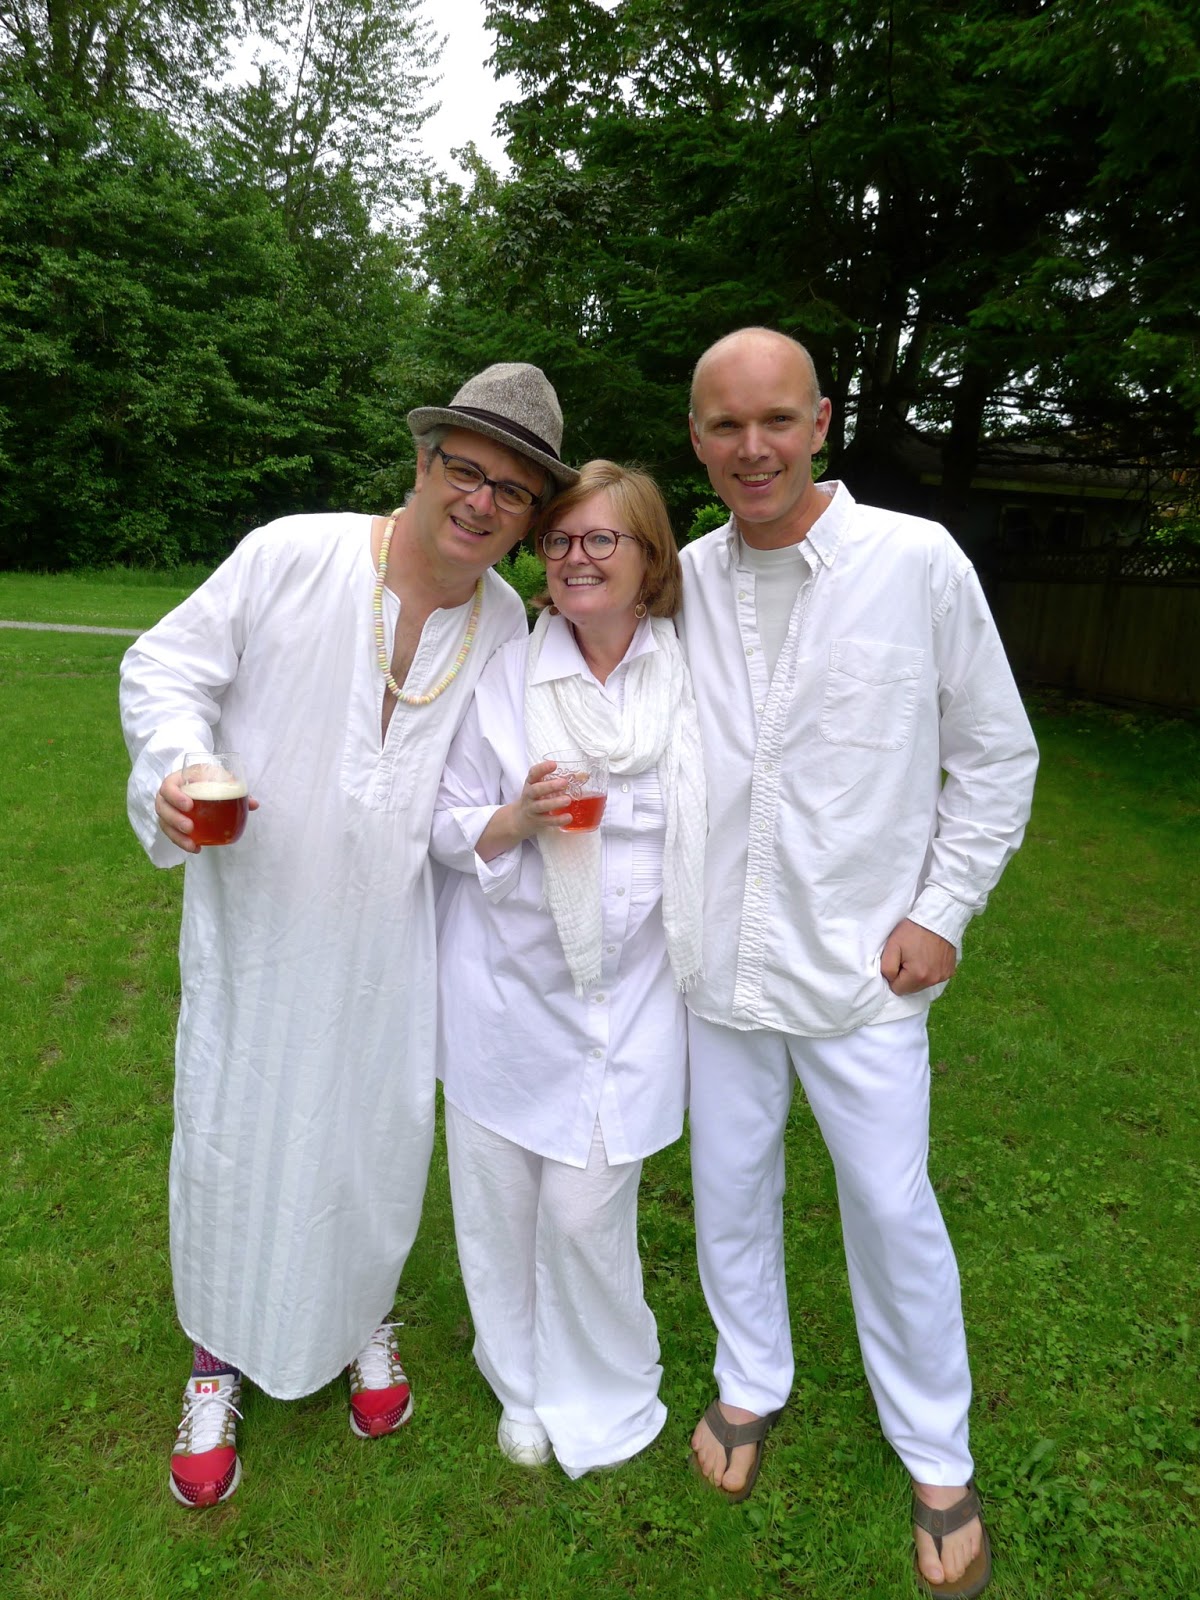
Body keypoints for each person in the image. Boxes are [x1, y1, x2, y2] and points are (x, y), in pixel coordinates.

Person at [119, 363, 578, 1508]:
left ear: (529, 517)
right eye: (465, 469)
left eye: (512, 491)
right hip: (261, 919)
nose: (480, 501)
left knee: (373, 1132)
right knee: (237, 1123)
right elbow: (164, 667)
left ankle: (361, 1310)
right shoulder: (295, 553)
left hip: (391, 935)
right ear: (423, 461)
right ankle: (218, 1352)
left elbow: (476, 790)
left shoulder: (504, 620)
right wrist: (179, 768)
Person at [678, 327, 1038, 1599]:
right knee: (729, 1185)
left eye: (776, 419)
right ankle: (749, 1379)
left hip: (863, 969)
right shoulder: (683, 579)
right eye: (726, 425)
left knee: (890, 1207)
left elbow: (994, 752)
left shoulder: (915, 560)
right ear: (696, 438)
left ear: (822, 421)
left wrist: (944, 909)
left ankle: (938, 1453)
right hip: (720, 959)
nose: (753, 447)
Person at [430, 460, 705, 1477]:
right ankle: (519, 1380)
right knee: (497, 1207)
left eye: (602, 539)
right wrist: (516, 819)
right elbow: (443, 821)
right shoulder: (506, 674)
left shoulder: (690, 678)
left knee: (585, 1213)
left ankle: (605, 1383)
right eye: (559, 540)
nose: (576, 558)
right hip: (507, 989)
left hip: (633, 995)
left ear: (650, 559)